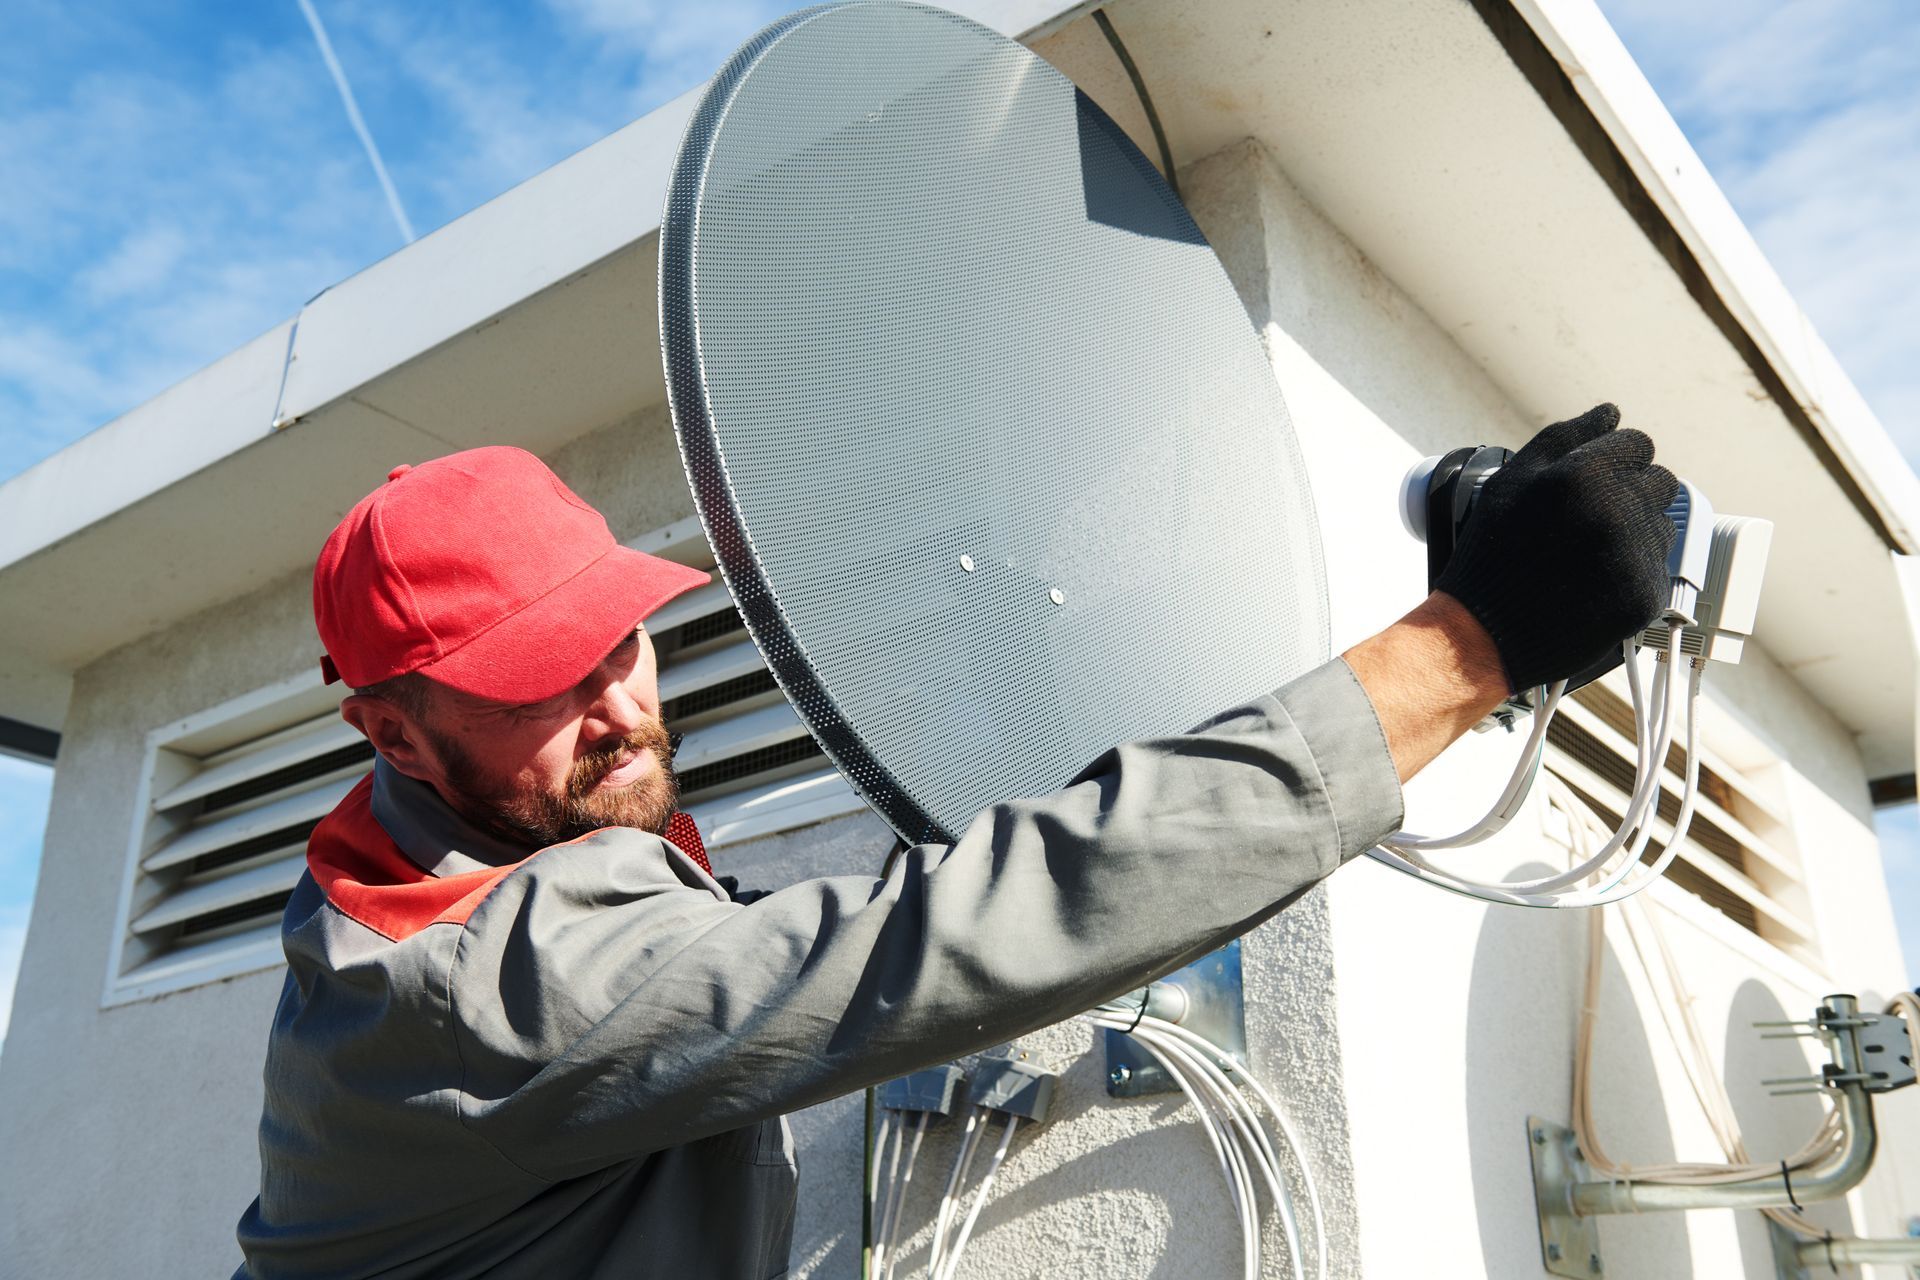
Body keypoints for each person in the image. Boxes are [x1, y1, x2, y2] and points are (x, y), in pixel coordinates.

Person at [234, 406, 1677, 1278]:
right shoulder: (473, 987)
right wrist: (1463, 654)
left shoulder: (447, 864)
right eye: (537, 680)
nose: (618, 702)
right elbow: (953, 930)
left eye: (619, 638)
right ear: (394, 735)